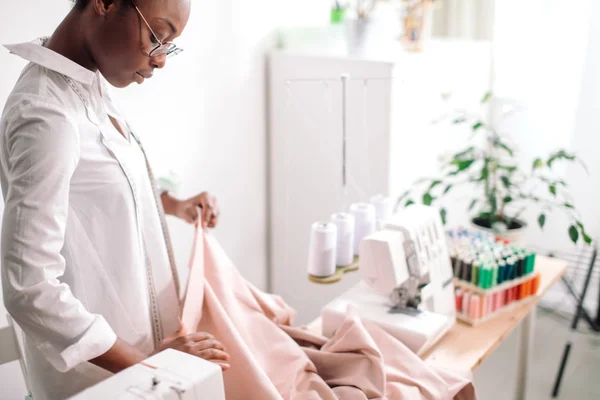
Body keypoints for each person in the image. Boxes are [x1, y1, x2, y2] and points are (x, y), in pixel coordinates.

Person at [0, 0, 230, 398]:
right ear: (104, 3)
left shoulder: (86, 88)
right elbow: (29, 287)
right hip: (107, 382)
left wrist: (172, 204)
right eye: (157, 37)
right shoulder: (46, 115)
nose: (160, 61)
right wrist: (150, 365)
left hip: (148, 362)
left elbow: (95, 188)